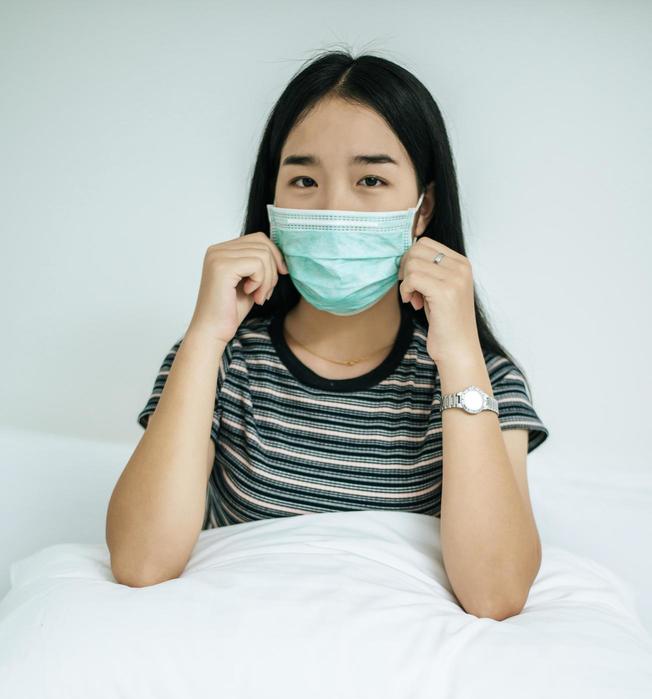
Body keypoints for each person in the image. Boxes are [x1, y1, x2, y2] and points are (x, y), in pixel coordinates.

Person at [106, 47, 549, 617]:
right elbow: (140, 563)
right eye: (304, 180)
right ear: (272, 202)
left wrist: (460, 355)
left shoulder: (487, 381)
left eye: (370, 178)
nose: (335, 207)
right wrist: (205, 338)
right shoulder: (223, 363)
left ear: (422, 209)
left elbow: (497, 593)